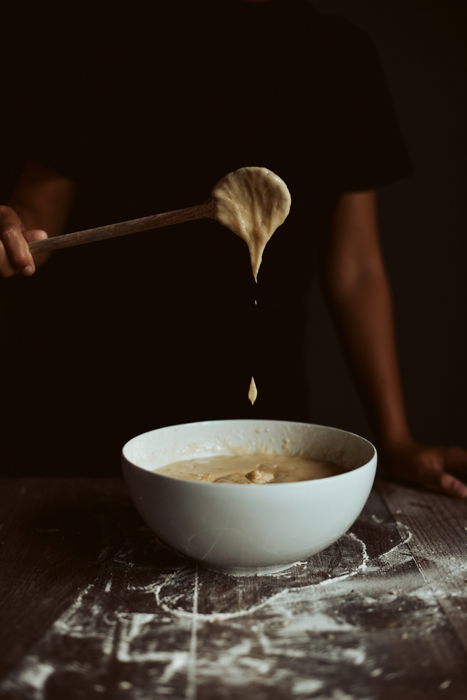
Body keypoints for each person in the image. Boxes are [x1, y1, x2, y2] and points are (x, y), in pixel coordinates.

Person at [1, 0, 466, 496]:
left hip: (263, 420)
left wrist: (394, 440)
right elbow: (38, 226)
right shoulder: (87, 38)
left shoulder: (338, 56)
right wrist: (12, 235)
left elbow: (357, 270)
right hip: (86, 407)